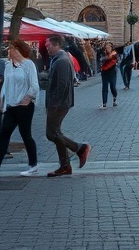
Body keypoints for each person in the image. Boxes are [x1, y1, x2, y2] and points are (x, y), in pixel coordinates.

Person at [0, 39, 41, 177]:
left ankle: (33, 165)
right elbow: (6, 84)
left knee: (26, 135)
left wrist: (27, 99)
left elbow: (34, 85)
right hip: (11, 105)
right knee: (4, 134)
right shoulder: (8, 66)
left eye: (11, 49)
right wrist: (2, 100)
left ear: (18, 50)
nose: (9, 51)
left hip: (24, 107)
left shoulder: (28, 65)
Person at [43, 35, 91, 176]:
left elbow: (63, 84)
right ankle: (65, 165)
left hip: (59, 103)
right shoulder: (58, 59)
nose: (47, 48)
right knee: (54, 133)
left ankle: (80, 148)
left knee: (52, 133)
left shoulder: (62, 61)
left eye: (49, 46)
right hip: (57, 102)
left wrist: (55, 104)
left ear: (57, 45)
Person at [99, 41, 119, 107]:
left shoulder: (114, 54)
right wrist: (105, 56)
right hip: (104, 71)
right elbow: (101, 59)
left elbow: (115, 60)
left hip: (112, 72)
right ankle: (104, 103)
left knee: (112, 86)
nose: (108, 47)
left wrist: (108, 57)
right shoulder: (103, 53)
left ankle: (115, 98)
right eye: (106, 46)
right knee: (104, 87)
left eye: (109, 46)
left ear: (111, 47)